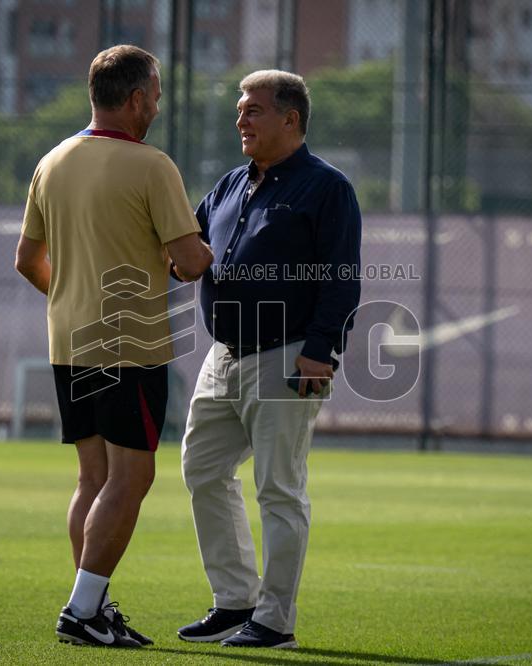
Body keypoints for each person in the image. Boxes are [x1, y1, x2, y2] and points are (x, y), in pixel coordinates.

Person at [15, 44, 212, 649]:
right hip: (129, 345)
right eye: (154, 93)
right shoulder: (152, 166)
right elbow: (189, 260)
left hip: (69, 340)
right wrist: (201, 254)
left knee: (92, 478)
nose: (157, 103)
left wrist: (72, 299)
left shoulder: (52, 160)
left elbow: (26, 261)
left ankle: (92, 607)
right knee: (133, 477)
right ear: (134, 99)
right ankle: (81, 611)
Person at [176, 70, 362, 649]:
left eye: (253, 109)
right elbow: (188, 250)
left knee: (279, 489)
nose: (241, 119)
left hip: (287, 355)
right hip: (224, 354)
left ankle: (275, 620)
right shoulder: (231, 182)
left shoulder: (327, 187)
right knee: (202, 469)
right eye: (239, 109)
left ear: (291, 119)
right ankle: (235, 602)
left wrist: (319, 351)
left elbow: (342, 277)